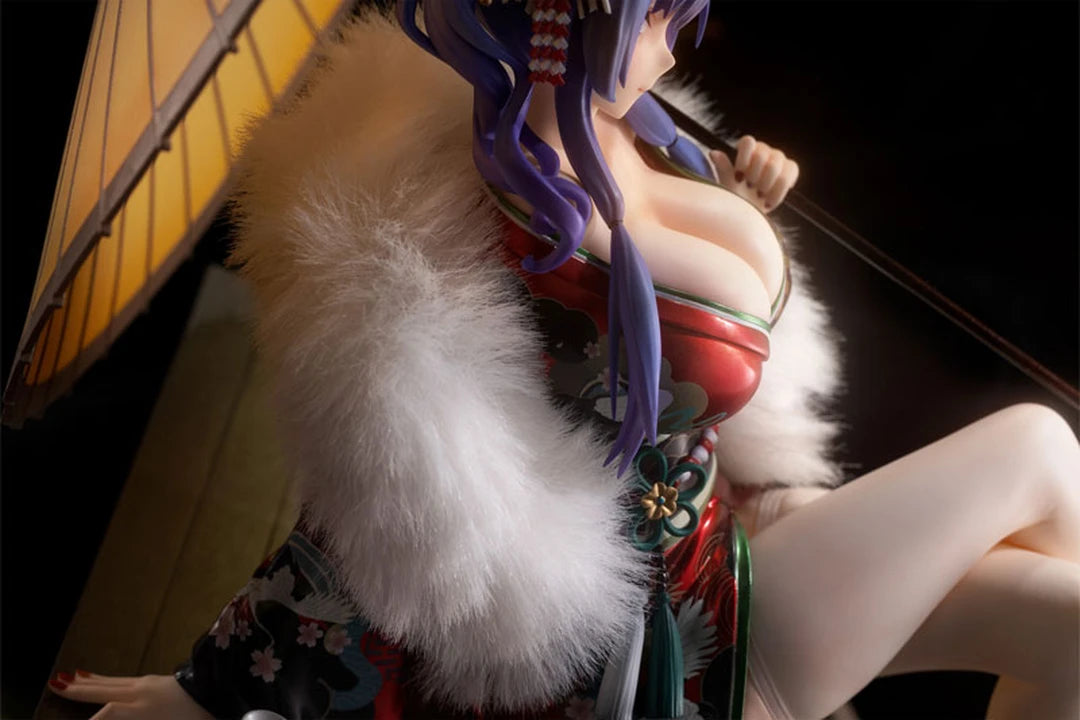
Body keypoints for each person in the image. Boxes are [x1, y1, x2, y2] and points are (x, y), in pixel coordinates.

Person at [48, 2, 1079, 719]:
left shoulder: (629, 136)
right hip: (682, 634)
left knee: (1070, 629)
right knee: (1038, 443)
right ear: (569, 23)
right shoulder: (514, 222)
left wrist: (735, 191)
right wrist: (216, 687)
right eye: (655, 22)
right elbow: (412, 489)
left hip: (730, 525)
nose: (674, 49)